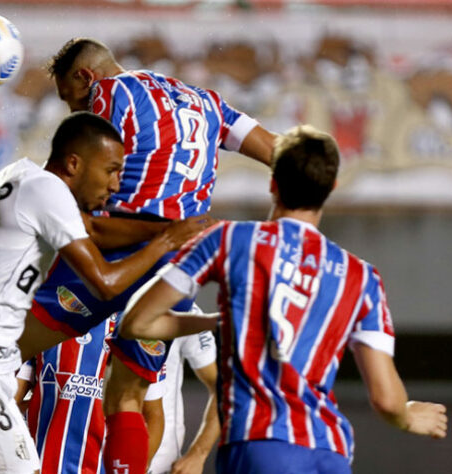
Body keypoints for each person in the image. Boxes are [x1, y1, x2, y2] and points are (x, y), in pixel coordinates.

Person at [119, 125, 448, 473]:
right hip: (331, 454)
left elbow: (138, 322)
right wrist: (407, 417)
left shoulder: (229, 240)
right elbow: (385, 398)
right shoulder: (362, 276)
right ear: (330, 189)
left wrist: (215, 321)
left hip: (260, 445)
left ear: (273, 182)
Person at [17, 37, 277, 474]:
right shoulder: (207, 102)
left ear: (86, 77)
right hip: (176, 267)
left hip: (116, 243)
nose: (72, 113)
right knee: (126, 396)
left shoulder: (109, 94)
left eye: (70, 100)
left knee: (3, 351)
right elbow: (277, 152)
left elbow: (82, 170)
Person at [0, 111, 209, 474]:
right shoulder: (45, 189)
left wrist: (165, 229)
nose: (115, 185)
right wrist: (164, 242)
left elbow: (95, 228)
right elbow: (105, 281)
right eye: (110, 170)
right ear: (74, 163)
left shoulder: (25, 178)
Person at [14, 315, 168, 474]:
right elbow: (9, 402)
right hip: (44, 464)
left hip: (106, 466)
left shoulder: (139, 328)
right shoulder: (50, 314)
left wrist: (134, 468)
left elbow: (154, 414)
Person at [147, 333, 219, 474]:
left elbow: (222, 388)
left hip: (162, 467)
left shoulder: (184, 312)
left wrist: (198, 454)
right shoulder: (93, 313)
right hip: (95, 458)